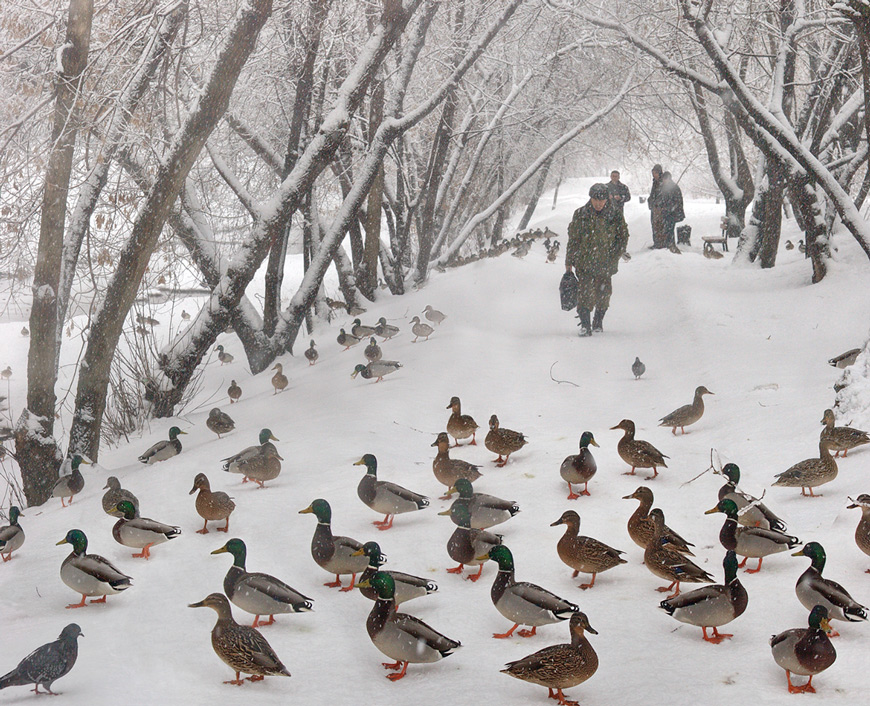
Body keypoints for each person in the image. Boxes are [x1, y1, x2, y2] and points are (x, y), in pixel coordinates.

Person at [565, 183, 629, 337]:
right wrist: (569, 262)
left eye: (602, 200)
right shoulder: (581, 214)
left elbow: (622, 236)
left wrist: (615, 255)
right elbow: (573, 239)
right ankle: (585, 325)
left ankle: (598, 321)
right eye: (595, 200)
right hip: (584, 261)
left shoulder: (614, 215)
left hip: (606, 262)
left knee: (603, 294)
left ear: (607, 200)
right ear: (590, 199)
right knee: (584, 293)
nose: (599, 204)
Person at [659, 171, 684, 251]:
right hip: (668, 212)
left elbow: (677, 202)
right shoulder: (666, 187)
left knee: (669, 229)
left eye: (664, 179)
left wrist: (668, 209)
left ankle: (671, 245)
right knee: (668, 229)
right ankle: (669, 245)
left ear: (668, 179)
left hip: (673, 213)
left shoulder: (674, 188)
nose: (663, 181)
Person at [647, 164, 665, 248]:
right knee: (654, 226)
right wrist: (650, 202)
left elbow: (662, 196)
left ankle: (660, 243)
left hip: (659, 208)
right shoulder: (655, 182)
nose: (653, 175)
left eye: (655, 173)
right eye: (653, 173)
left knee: (659, 226)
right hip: (654, 208)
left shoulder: (662, 182)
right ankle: (656, 242)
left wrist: (658, 204)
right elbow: (653, 194)